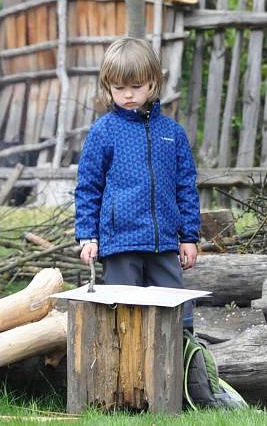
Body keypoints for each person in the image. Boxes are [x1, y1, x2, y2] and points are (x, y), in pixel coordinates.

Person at [75, 37, 200, 329]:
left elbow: (186, 187)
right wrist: (87, 236)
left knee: (177, 317)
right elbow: (88, 188)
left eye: (136, 87)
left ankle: (185, 369)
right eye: (119, 88)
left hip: (165, 243)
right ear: (108, 86)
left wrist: (190, 236)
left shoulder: (173, 133)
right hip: (120, 244)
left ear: (153, 83)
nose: (128, 94)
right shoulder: (103, 132)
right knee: (123, 317)